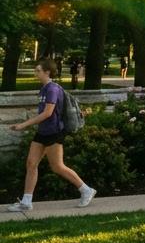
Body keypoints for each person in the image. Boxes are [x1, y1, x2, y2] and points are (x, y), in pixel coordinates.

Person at [7, 59, 96, 211]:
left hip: (54, 132)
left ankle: (86, 190)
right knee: (31, 163)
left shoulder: (52, 89)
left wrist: (24, 124)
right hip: (43, 132)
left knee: (57, 166)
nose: (35, 73)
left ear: (47, 72)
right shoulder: (43, 89)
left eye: (38, 71)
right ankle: (26, 202)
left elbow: (47, 113)